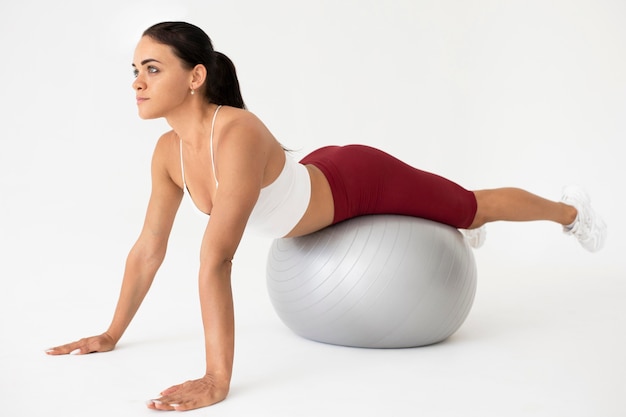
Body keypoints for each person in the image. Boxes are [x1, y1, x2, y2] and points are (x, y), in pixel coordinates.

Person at [45, 21, 607, 411]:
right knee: (452, 209)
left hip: (355, 182)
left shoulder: (235, 134)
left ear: (195, 77)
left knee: (467, 206)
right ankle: (454, 223)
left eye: (151, 68)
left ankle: (570, 211)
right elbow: (149, 248)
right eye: (134, 70)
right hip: (307, 181)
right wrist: (110, 333)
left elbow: (215, 260)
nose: (137, 82)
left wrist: (217, 379)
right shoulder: (168, 154)